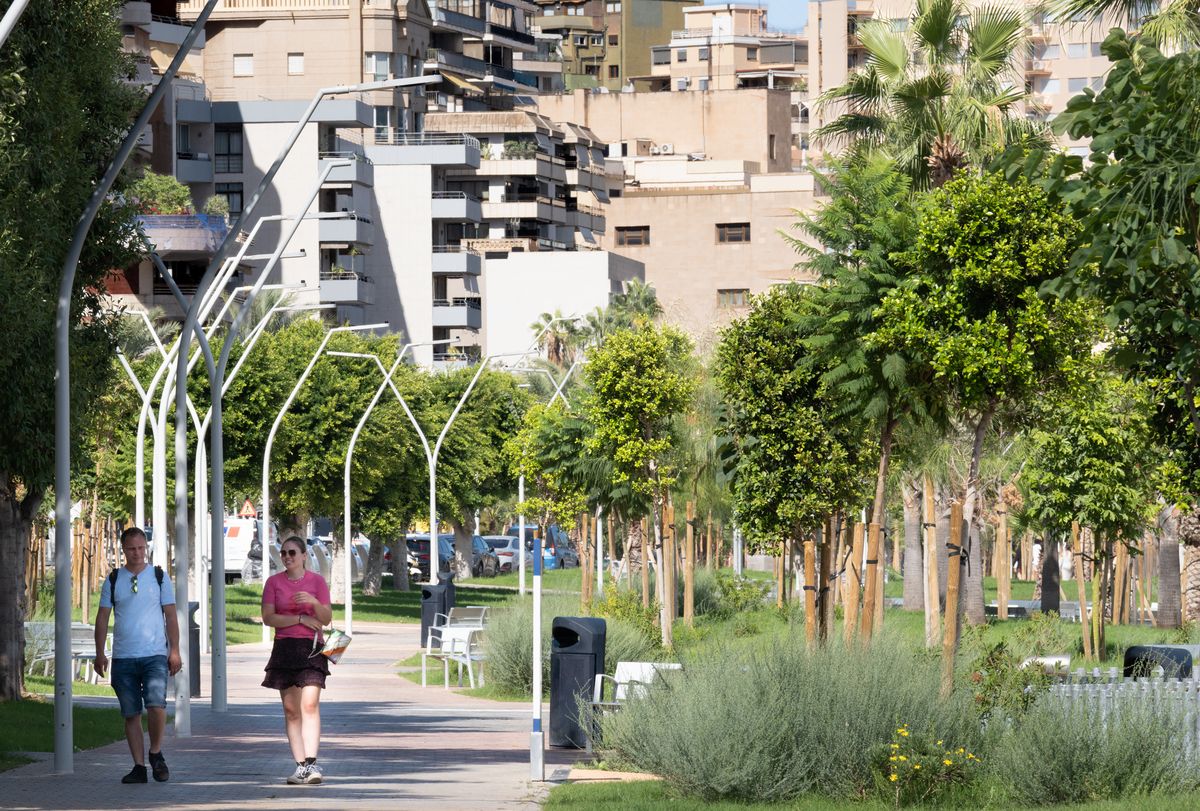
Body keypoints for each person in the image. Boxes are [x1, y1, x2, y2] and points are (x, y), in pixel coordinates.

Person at [94, 526, 182, 784]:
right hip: (123, 657)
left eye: (141, 548)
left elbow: (171, 615)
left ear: (147, 547)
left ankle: (155, 752)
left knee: (156, 705)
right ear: (123, 550)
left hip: (154, 653)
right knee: (131, 713)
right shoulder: (113, 579)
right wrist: (100, 653)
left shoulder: (158, 577)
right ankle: (138, 766)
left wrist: (174, 650)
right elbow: (102, 618)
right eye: (132, 549)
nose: (137, 553)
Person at [262, 536, 333, 785]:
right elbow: (268, 618)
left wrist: (313, 603)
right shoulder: (273, 583)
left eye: (292, 552)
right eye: (283, 553)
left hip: (312, 648)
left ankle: (313, 764)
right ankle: (300, 766)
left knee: (310, 704)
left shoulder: (317, 582)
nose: (287, 557)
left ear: (304, 556)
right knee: (292, 710)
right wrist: (300, 619)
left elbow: (326, 618)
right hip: (285, 648)